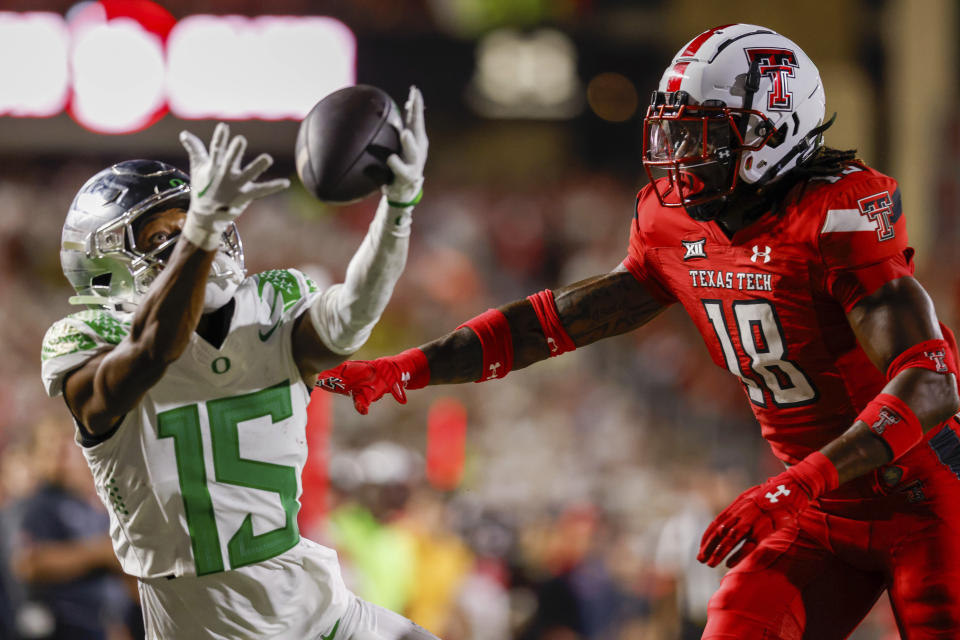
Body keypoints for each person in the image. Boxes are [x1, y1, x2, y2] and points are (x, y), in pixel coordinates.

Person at [318, 25, 960, 639]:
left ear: (771, 131)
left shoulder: (835, 212)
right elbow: (555, 321)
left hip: (927, 498)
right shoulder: (674, 228)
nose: (681, 159)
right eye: (676, 135)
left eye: (704, 137)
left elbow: (932, 384)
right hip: (818, 508)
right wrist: (412, 367)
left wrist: (799, 482)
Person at [40, 86, 441, 639]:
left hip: (319, 606)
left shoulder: (272, 304)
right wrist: (198, 235)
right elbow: (154, 350)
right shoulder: (90, 340)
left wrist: (398, 209)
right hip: (209, 626)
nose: (184, 240)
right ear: (106, 269)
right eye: (161, 236)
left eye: (192, 222)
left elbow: (351, 316)